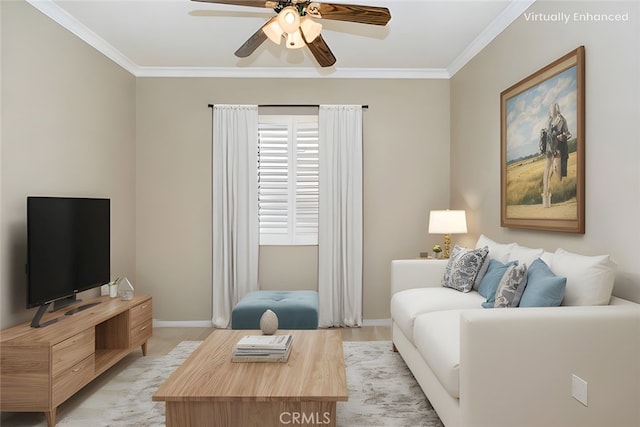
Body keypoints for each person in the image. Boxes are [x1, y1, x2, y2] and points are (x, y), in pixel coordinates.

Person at [547, 102, 571, 178]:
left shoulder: (562, 119)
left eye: (556, 109)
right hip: (553, 150)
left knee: (561, 173)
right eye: (553, 109)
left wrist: (563, 136)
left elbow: (568, 134)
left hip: (561, 149)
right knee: (552, 173)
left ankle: (560, 186)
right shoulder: (549, 121)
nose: (555, 111)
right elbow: (549, 136)